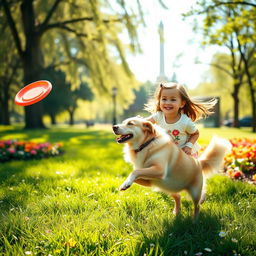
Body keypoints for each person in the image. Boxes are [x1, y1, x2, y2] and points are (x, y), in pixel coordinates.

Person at [145, 82, 217, 157]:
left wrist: (189, 146)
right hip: (170, 153)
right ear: (159, 101)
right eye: (164, 99)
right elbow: (145, 123)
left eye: (173, 100)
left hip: (185, 153)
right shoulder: (158, 116)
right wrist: (138, 120)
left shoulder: (185, 121)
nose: (168, 102)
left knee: (186, 168)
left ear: (182, 104)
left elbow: (195, 133)